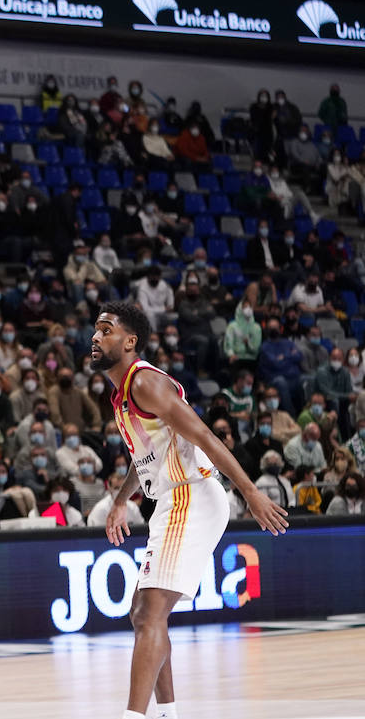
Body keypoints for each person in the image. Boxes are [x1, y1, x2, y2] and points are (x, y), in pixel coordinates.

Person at [92, 301, 288, 719]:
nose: (95, 336)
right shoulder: (122, 394)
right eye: (95, 330)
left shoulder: (144, 382)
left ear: (130, 341)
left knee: (148, 613)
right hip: (172, 498)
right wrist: (122, 499)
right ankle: (167, 713)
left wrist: (250, 491)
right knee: (144, 614)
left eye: (105, 330)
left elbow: (203, 433)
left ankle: (137, 716)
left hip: (191, 493)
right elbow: (143, 456)